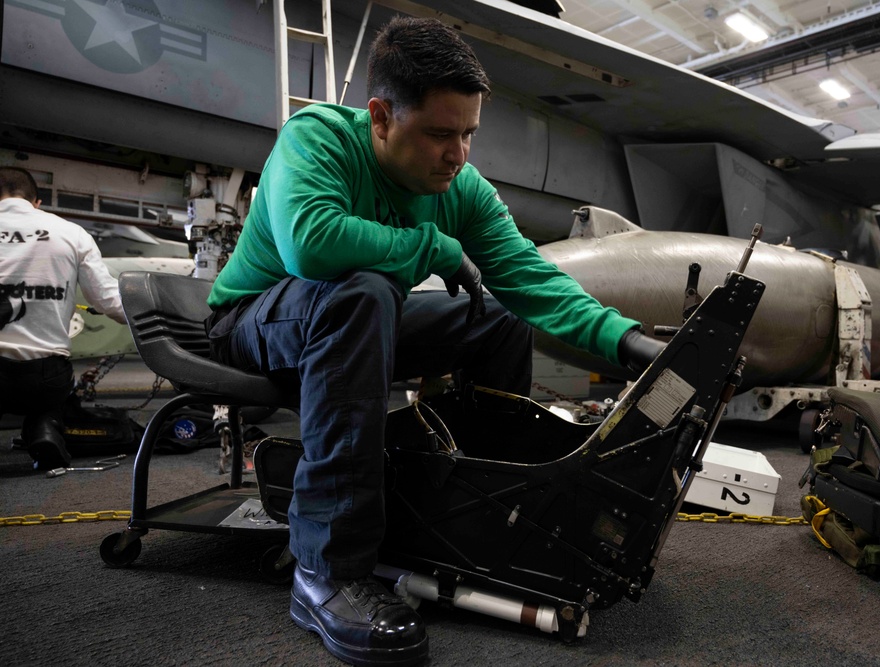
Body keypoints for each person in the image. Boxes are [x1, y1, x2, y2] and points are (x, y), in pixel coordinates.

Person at [206, 16, 665, 666]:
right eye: (441, 134)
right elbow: (311, 246)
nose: (459, 154)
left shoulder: (461, 187)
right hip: (252, 318)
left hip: (356, 316)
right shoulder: (317, 140)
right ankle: (327, 573)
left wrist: (628, 342)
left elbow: (528, 276)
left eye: (469, 133)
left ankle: (485, 507)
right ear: (382, 118)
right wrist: (431, 246)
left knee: (499, 313)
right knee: (360, 290)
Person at [0, 166, 127, 470]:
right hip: (46, 377)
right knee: (51, 393)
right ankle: (44, 429)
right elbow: (110, 302)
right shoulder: (71, 233)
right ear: (37, 202)